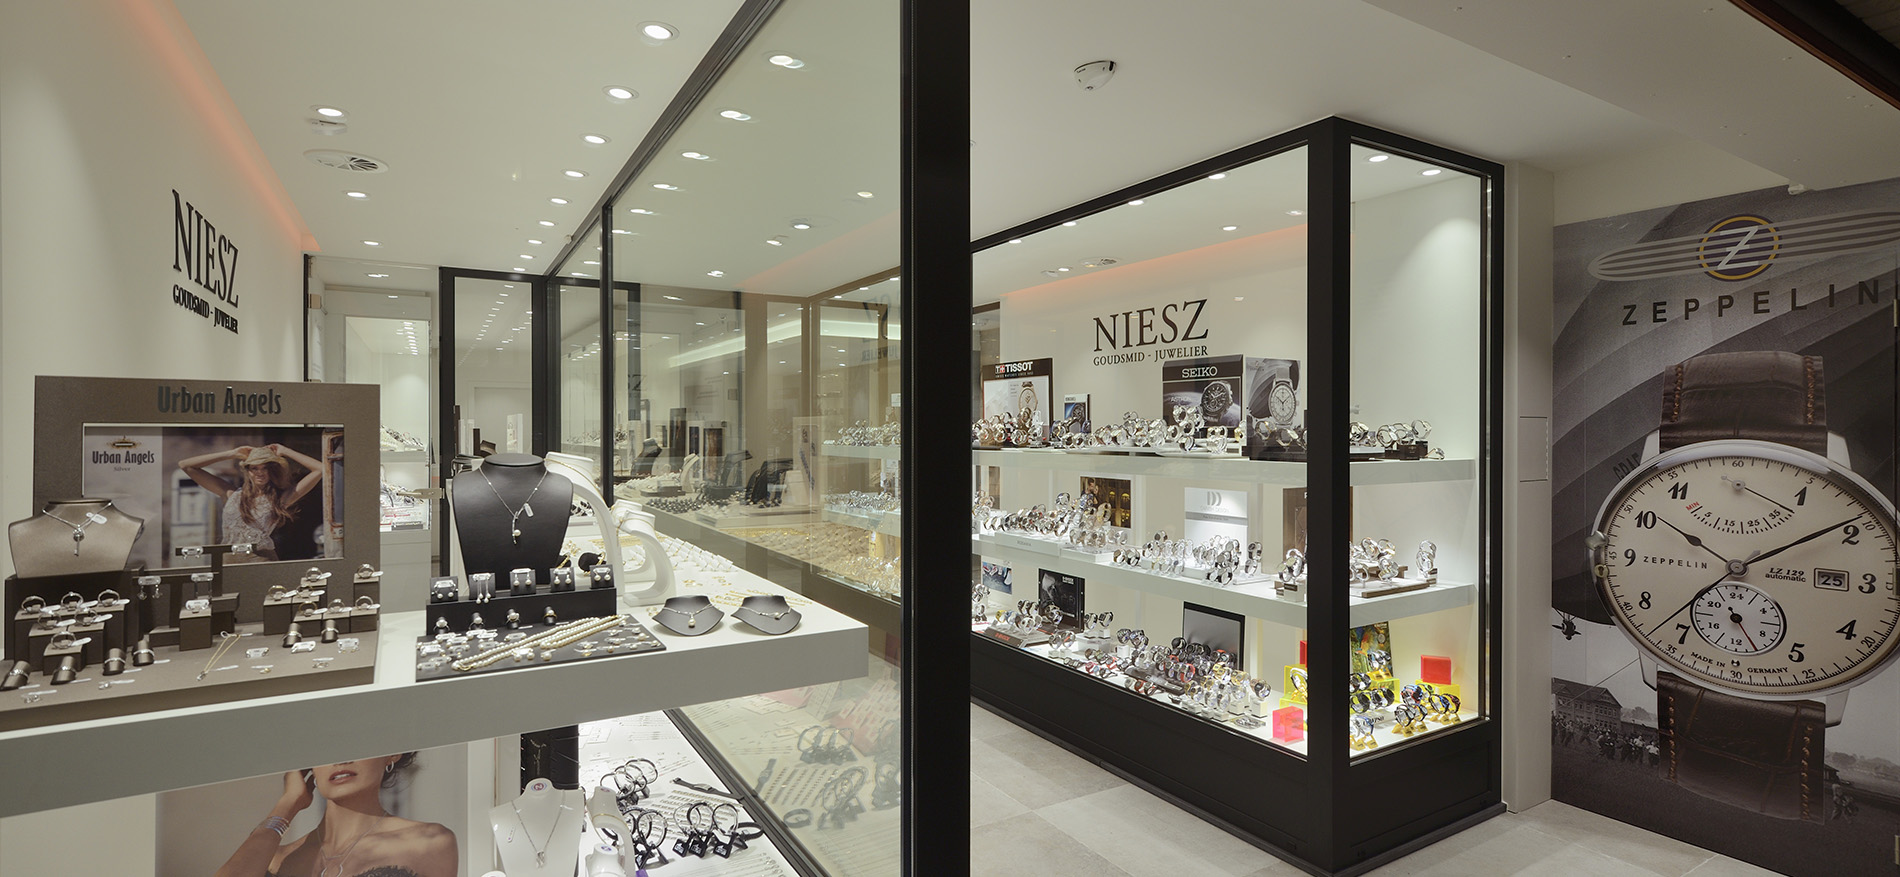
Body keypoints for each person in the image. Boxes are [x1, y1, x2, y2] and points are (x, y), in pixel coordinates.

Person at [216, 754, 456, 877]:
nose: (341, 759)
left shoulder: (429, 841)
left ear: (392, 752)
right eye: (326, 746)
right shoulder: (277, 859)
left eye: (356, 742)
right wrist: (287, 805)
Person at [178, 443, 323, 561]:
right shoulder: (231, 494)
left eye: (265, 468)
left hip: (260, 560)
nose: (260, 472)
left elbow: (320, 469)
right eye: (255, 468)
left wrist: (285, 451)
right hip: (227, 560)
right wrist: (232, 453)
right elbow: (185, 465)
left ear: (271, 471)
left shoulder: (280, 498)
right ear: (248, 471)